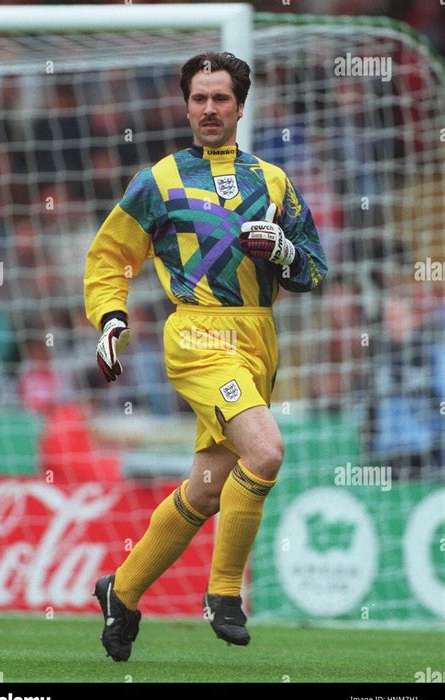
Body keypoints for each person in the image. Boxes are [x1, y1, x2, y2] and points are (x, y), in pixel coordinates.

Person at [84, 52, 327, 661]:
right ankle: (223, 595)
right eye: (199, 98)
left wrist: (284, 253)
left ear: (240, 106)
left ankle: (123, 589)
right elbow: (110, 255)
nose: (210, 109)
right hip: (197, 336)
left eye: (221, 98)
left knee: (208, 488)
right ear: (186, 104)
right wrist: (111, 317)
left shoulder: (272, 182)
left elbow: (315, 270)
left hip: (258, 339)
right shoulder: (160, 179)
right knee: (267, 450)